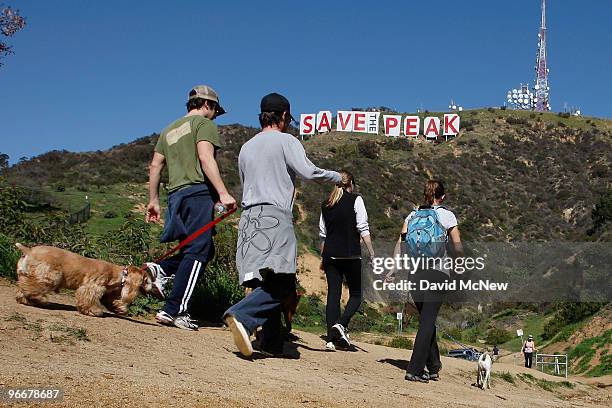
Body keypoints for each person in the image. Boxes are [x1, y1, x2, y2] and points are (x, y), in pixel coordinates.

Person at [223, 92, 341, 357]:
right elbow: (308, 172)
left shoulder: (246, 147)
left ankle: (271, 341)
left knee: (266, 280)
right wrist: (337, 177)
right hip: (274, 217)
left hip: (249, 218)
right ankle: (241, 314)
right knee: (284, 284)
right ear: (285, 116)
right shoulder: (286, 141)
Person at [144, 85, 236, 330]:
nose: (215, 115)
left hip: (175, 195)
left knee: (199, 250)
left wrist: (153, 200)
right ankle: (175, 309)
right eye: (215, 109)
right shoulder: (204, 125)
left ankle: (159, 269)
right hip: (197, 193)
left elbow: (155, 166)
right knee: (198, 251)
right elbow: (206, 158)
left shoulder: (168, 130)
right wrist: (223, 193)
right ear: (207, 104)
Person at [391, 179, 463, 383]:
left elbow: (401, 243)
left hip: (415, 273)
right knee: (427, 320)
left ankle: (433, 365)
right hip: (438, 273)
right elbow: (457, 246)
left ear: (425, 195)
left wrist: (393, 269)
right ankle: (414, 369)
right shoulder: (447, 215)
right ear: (443, 196)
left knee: (426, 319)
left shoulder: (412, 215)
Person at [319, 170, 375, 351]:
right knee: (357, 294)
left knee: (333, 295)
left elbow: (323, 234)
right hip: (350, 255)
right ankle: (341, 324)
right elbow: (363, 228)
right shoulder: (356, 199)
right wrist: (372, 253)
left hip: (330, 255)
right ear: (351, 185)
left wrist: (323, 256)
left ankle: (330, 339)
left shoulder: (326, 204)